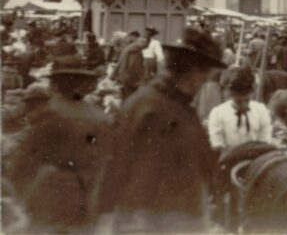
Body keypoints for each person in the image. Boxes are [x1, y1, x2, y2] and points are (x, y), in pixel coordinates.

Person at [96, 27, 227, 233]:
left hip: (180, 213)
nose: (205, 80)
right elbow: (119, 162)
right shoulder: (148, 106)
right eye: (204, 73)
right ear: (189, 69)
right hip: (151, 219)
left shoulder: (180, 105)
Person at [7, 54, 111, 233]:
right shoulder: (99, 117)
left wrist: (18, 190)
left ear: (56, 83)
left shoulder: (49, 112)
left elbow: (25, 157)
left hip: (49, 190)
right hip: (86, 191)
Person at [208, 66, 273, 151]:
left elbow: (265, 142)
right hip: (228, 160)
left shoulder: (261, 110)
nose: (243, 105)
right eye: (238, 102)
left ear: (252, 93)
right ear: (229, 95)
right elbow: (217, 145)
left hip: (256, 159)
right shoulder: (217, 113)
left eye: (247, 100)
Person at [113, 30, 145, 101]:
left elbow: (122, 63)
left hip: (126, 77)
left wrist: (114, 74)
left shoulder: (129, 49)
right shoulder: (135, 51)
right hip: (130, 79)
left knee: (126, 97)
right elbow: (136, 66)